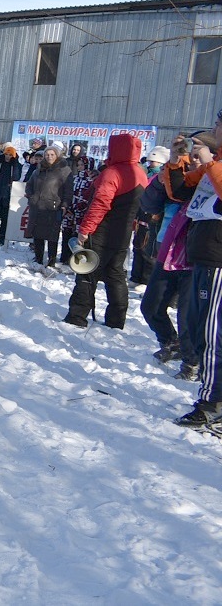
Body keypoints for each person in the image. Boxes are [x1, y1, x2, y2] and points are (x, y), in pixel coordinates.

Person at [62, 134, 147, 329]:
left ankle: (77, 316)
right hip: (123, 234)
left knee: (87, 273)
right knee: (116, 275)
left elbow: (100, 205)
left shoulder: (113, 173)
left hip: (101, 232)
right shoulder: (140, 173)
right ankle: (116, 320)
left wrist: (85, 230)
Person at [169, 115, 222, 426]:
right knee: (202, 328)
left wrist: (209, 162)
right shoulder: (213, 166)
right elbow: (180, 191)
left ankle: (212, 403)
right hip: (203, 257)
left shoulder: (216, 166)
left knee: (214, 334)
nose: (213, 130)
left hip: (218, 260)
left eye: (217, 124)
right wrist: (177, 161)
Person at [140, 138, 199, 379]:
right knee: (151, 306)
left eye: (196, 153)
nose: (191, 158)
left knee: (187, 314)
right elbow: (148, 204)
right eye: (188, 154)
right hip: (168, 247)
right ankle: (171, 342)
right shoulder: (173, 175)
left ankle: (192, 361)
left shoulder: (211, 178)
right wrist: (165, 176)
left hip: (196, 254)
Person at [24, 143, 72, 270]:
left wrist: (65, 204)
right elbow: (29, 184)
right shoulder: (39, 169)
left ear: (57, 155)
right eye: (47, 154)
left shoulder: (64, 170)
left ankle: (51, 261)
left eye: (52, 154)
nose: (49, 157)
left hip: (53, 207)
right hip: (37, 206)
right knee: (38, 235)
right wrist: (31, 196)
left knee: (52, 236)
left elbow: (68, 190)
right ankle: (38, 259)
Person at [130, 145, 170, 285]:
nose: (151, 164)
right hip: (142, 213)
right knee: (138, 245)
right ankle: (135, 276)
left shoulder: (161, 178)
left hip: (153, 216)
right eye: (150, 161)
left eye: (155, 162)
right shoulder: (147, 175)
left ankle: (146, 279)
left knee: (148, 248)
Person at [60, 154, 98, 263]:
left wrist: (79, 208)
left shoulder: (92, 180)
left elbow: (88, 197)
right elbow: (68, 193)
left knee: (78, 236)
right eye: (78, 165)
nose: (79, 167)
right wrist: (68, 207)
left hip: (81, 213)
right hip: (70, 210)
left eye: (82, 165)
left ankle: (77, 259)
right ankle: (65, 257)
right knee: (66, 233)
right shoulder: (74, 178)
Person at [0, 145, 23, 249]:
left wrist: (15, 162)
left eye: (10, 155)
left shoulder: (16, 165)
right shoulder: (0, 163)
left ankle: (3, 235)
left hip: (8, 194)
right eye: (6, 154)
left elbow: (16, 177)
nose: (7, 157)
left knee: (5, 217)